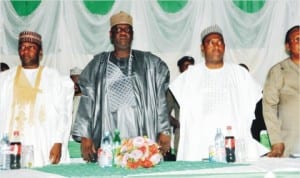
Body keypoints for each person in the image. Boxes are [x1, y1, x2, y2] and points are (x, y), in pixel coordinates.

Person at [71, 11, 171, 162]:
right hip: (109, 128)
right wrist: (85, 135)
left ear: (132, 34)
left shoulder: (150, 63)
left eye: (127, 29)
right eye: (118, 29)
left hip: (142, 128)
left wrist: (164, 130)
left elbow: (160, 99)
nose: (123, 33)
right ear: (111, 35)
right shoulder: (98, 64)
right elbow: (87, 101)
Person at [170, 25, 267, 161]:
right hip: (199, 146)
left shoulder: (240, 73)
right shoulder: (189, 76)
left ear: (225, 47)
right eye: (211, 42)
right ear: (202, 48)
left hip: (234, 143)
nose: (216, 46)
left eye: (220, 42)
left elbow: (256, 103)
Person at [0, 31, 74, 167]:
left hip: (43, 146)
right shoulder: (5, 79)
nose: (26, 51)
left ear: (40, 52)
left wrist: (59, 142)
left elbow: (63, 113)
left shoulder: (54, 78)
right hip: (12, 145)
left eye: (31, 47)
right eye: (22, 47)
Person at [263, 25, 300, 158]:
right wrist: (276, 142)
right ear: (287, 46)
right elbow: (269, 107)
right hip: (290, 144)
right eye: (297, 39)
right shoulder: (278, 71)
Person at [167, 56, 194, 157]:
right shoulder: (175, 88)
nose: (189, 68)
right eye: (186, 66)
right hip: (182, 135)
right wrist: (177, 123)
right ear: (180, 69)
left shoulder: (200, 86)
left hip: (199, 132)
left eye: (191, 66)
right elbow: (164, 113)